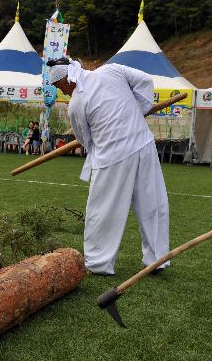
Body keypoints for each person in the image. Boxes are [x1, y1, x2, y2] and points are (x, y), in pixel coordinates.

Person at [47, 57, 169, 275]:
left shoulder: (77, 103)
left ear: (66, 79)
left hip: (113, 156)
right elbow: (145, 81)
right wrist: (139, 110)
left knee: (102, 211)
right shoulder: (112, 70)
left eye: (59, 87)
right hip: (143, 143)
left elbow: (84, 139)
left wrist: (134, 112)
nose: (62, 92)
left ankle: (98, 262)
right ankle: (157, 259)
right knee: (153, 204)